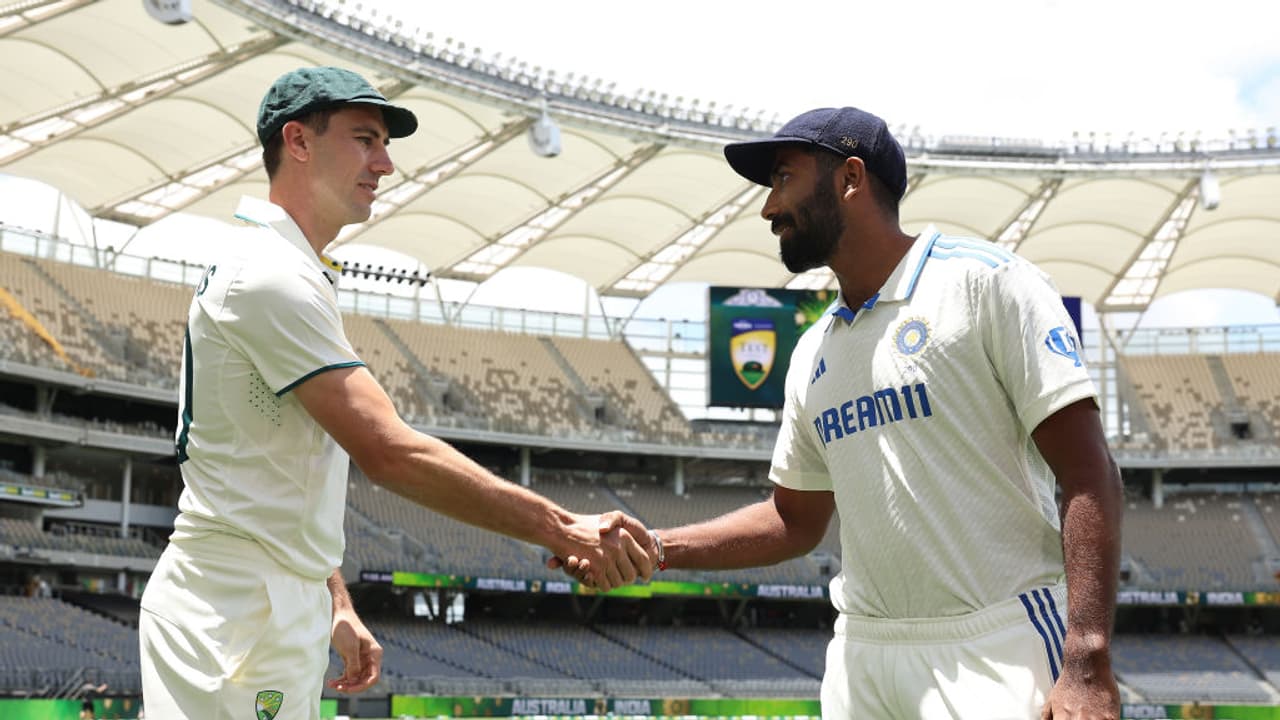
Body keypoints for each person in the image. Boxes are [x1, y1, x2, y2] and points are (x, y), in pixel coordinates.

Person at [557, 107, 1123, 719]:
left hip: (994, 641)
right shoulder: (812, 350)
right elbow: (794, 519)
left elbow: (1090, 473)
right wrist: (656, 547)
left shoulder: (987, 285)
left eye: (783, 179)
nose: (768, 208)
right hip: (862, 654)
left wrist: (1087, 660)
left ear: (851, 179)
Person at [139, 66, 655, 720]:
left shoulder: (290, 271)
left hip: (264, 602)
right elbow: (387, 450)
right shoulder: (271, 276)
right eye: (364, 139)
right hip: (236, 610)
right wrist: (565, 527)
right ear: (298, 141)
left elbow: (283, 473)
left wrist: (337, 601)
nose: (385, 164)